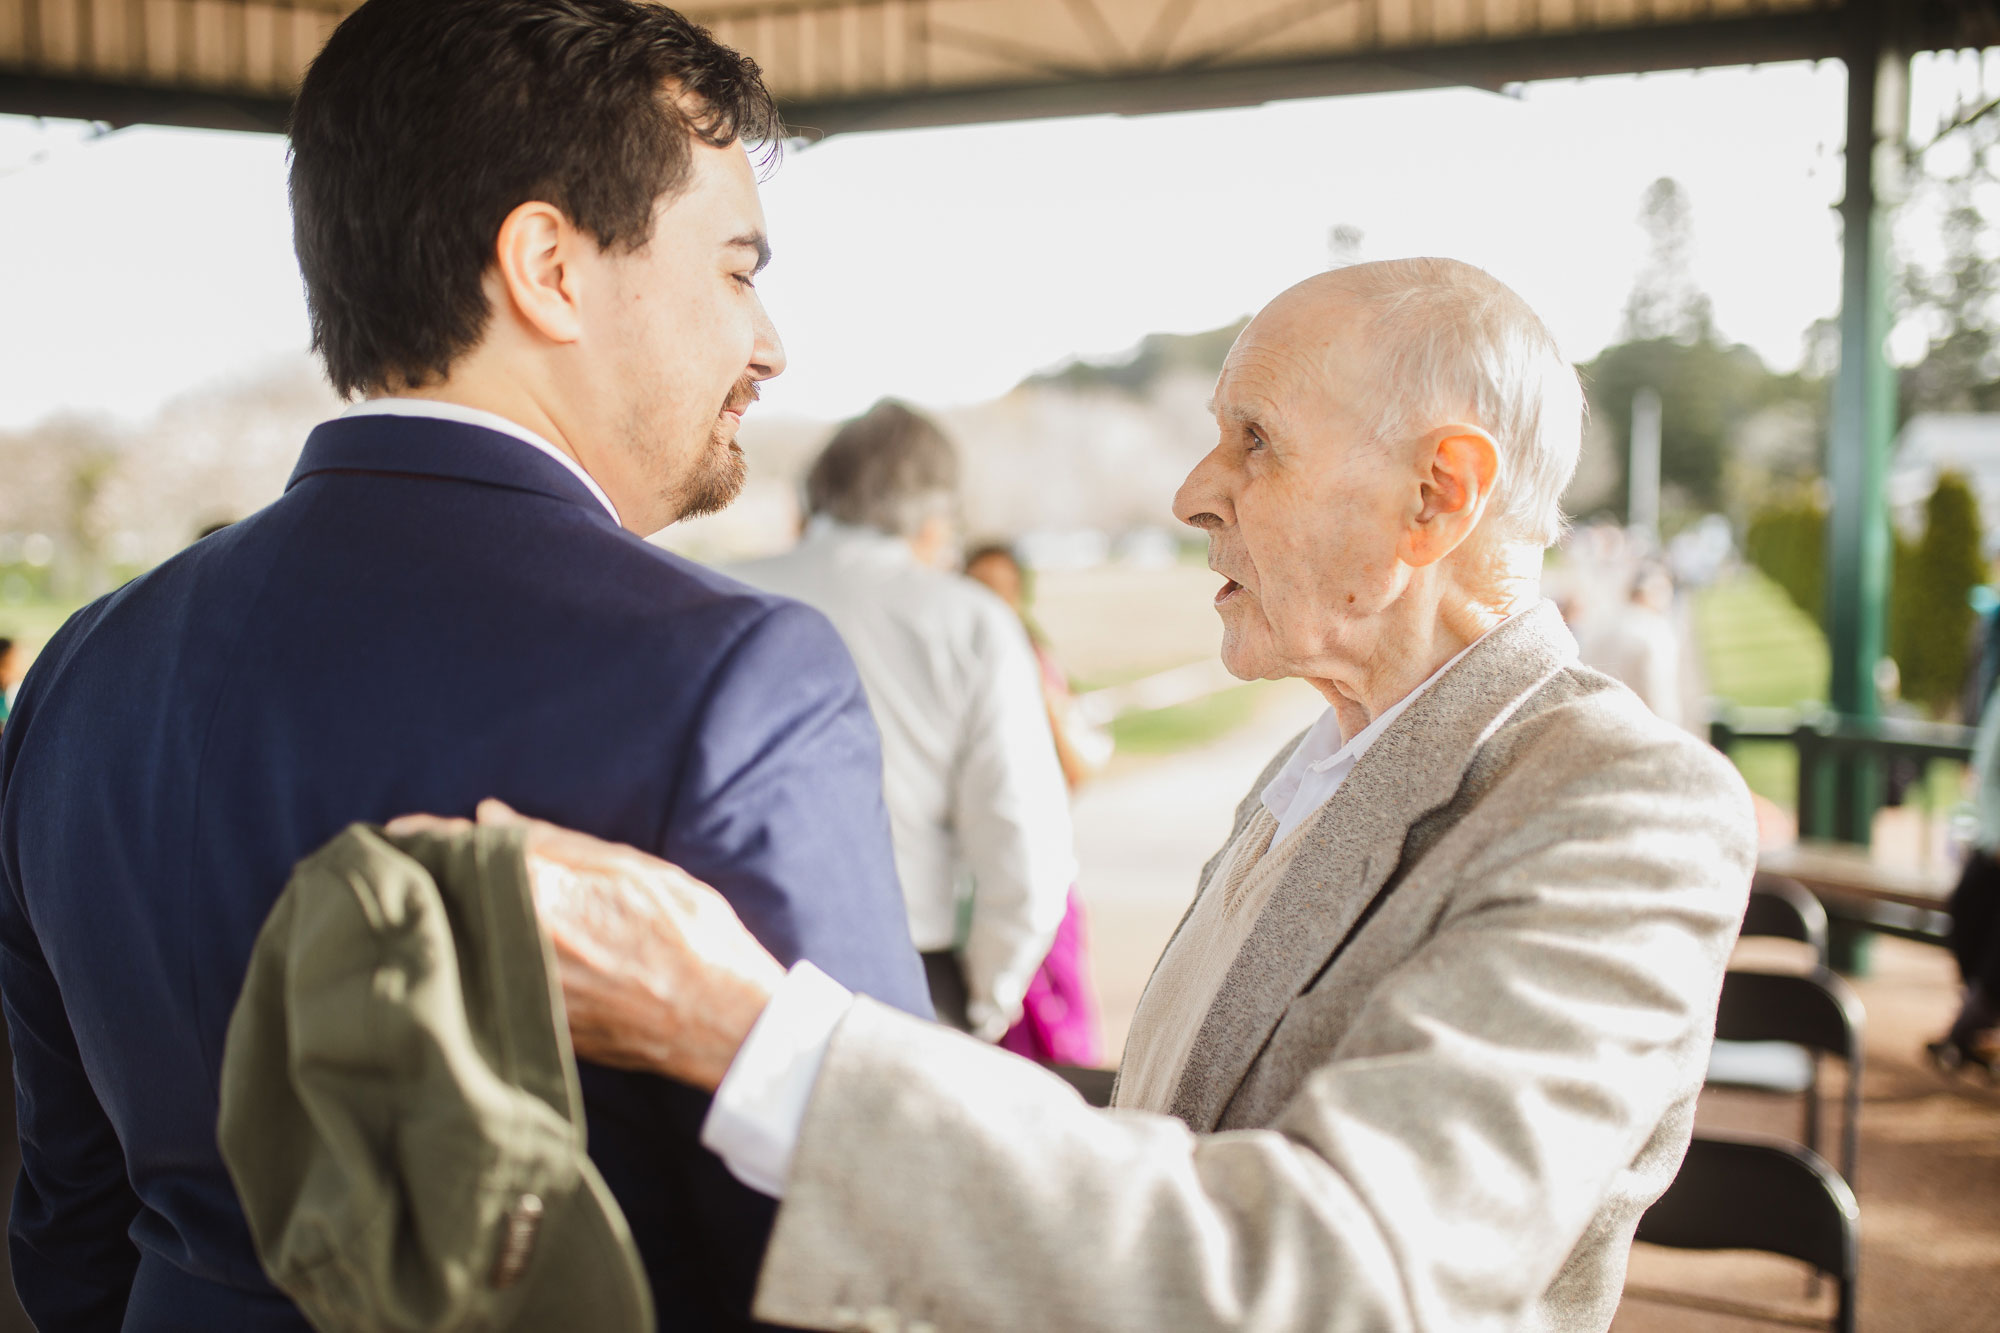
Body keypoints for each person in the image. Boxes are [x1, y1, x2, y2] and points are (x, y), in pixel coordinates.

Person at [398, 258, 1759, 1332]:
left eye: (1254, 439)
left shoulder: (1626, 808)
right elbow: (1162, 1149)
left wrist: (747, 1027)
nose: (1191, 491)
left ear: (1436, 494)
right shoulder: (1322, 755)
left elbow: (1348, 1276)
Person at [0, 3, 928, 1328]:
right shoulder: (734, 679)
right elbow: (872, 1243)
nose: (768, 341)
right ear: (547, 265)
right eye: (735, 269)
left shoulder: (84, 673)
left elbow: (70, 1221)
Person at [729, 405, 1074, 1038]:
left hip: (730, 962)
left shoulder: (715, 591)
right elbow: (1023, 843)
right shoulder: (972, 622)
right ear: (936, 514)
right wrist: (985, 1005)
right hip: (903, 974)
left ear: (817, 493)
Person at [964, 540, 1106, 1066]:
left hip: (1033, 854)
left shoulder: (1033, 660)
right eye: (978, 588)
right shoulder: (958, 654)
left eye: (1001, 590)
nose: (990, 601)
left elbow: (1077, 766)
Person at [1931, 677, 2000, 1074]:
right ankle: (1980, 1017)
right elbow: (1988, 769)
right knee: (1967, 903)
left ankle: (1972, 1022)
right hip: (1995, 840)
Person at [1579, 561, 1682, 726]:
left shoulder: (1602, 625)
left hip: (1596, 723)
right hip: (1640, 729)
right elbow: (1659, 695)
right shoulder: (1656, 633)